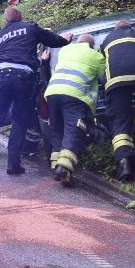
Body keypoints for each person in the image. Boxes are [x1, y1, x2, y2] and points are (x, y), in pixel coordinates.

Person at [0, 6, 70, 176]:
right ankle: (13, 164)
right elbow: (54, 41)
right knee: (20, 120)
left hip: (2, 76)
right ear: (21, 18)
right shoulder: (31, 27)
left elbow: (0, 46)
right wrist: (65, 39)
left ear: (5, 21)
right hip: (25, 77)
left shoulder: (0, 34)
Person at [99, 20, 135, 181]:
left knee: (119, 121)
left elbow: (104, 62)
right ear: (130, 28)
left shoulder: (106, 40)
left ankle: (125, 163)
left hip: (116, 83)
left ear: (115, 29)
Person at [44, 33, 106, 186]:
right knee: (74, 131)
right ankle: (63, 169)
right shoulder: (95, 56)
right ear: (92, 45)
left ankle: (56, 169)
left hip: (52, 93)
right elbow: (104, 78)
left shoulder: (65, 50)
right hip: (75, 95)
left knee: (58, 130)